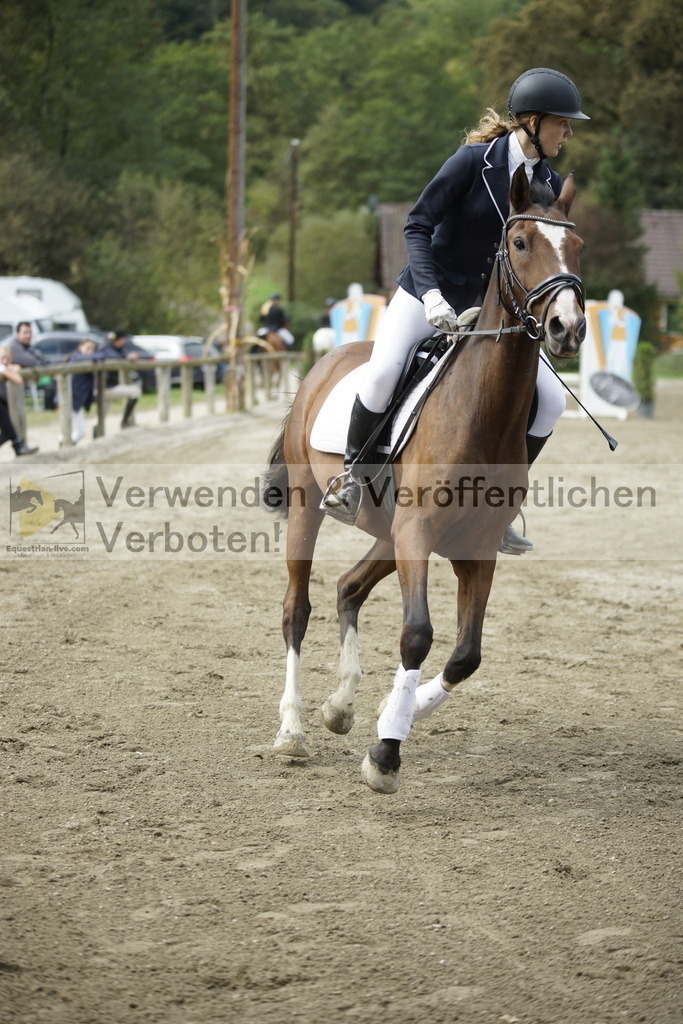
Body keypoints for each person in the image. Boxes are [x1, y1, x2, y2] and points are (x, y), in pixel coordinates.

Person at [322, 67, 590, 553]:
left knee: (550, 401)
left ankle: (501, 505)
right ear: (532, 121)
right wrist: (430, 295)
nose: (569, 132)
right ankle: (351, 481)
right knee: (382, 373)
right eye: (562, 123)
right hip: (431, 293)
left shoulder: (548, 182)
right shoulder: (472, 162)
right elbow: (417, 225)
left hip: (493, 313)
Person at [96, 329, 142, 432]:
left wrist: (128, 356)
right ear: (121, 339)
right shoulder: (107, 349)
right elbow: (112, 356)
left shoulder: (115, 348)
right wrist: (127, 357)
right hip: (106, 387)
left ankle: (97, 432)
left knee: (102, 417)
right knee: (136, 391)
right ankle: (125, 422)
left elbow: (122, 354)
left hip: (107, 387)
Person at [0, 343, 39, 456]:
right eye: (3, 358)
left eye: (8, 358)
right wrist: (12, 370)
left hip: (3, 401)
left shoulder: (4, 367)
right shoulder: (1, 368)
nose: (6, 361)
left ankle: (18, 446)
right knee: (8, 430)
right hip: (1, 403)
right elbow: (18, 380)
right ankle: (18, 446)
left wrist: (12, 367)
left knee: (8, 430)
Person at [9, 322, 58, 410]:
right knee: (49, 385)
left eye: (30, 333)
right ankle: (49, 409)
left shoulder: (28, 347)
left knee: (54, 380)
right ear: (17, 334)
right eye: (25, 333)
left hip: (35, 378)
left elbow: (44, 360)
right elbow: (32, 362)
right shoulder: (14, 347)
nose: (28, 336)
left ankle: (53, 408)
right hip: (24, 381)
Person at [62, 338, 97, 445]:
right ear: (80, 347)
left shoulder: (82, 358)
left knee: (73, 429)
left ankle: (66, 444)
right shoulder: (77, 357)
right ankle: (66, 445)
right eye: (88, 348)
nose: (90, 351)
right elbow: (85, 359)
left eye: (92, 349)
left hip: (76, 399)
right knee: (79, 432)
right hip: (72, 398)